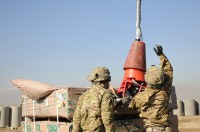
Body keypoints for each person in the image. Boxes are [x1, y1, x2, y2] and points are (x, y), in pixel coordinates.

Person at [128, 45, 173, 132]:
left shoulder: (141, 97)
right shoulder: (165, 90)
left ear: (147, 78)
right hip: (165, 128)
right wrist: (161, 55)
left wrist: (126, 101)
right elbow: (169, 71)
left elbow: (131, 105)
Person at [72, 67, 115, 132]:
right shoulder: (106, 94)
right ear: (105, 80)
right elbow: (107, 118)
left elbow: (77, 118)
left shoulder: (84, 95)